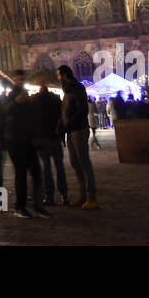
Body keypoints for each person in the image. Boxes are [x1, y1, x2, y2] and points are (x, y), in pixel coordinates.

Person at [5, 70, 48, 219]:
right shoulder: (9, 95)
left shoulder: (25, 93)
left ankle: (38, 206)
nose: (21, 81)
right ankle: (19, 207)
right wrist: (15, 103)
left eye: (22, 78)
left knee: (36, 172)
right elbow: (3, 113)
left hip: (27, 140)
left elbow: (31, 116)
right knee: (21, 174)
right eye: (18, 79)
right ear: (14, 80)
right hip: (15, 140)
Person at [58, 65, 98, 209]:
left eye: (59, 75)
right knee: (75, 164)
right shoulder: (67, 90)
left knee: (84, 163)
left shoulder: (77, 88)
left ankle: (92, 198)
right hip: (70, 130)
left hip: (79, 129)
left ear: (64, 75)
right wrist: (62, 126)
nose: (58, 78)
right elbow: (65, 110)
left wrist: (70, 123)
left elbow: (82, 109)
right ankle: (83, 196)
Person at [32, 77, 68, 205]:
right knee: (59, 167)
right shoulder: (56, 99)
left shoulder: (34, 100)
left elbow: (32, 121)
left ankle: (50, 196)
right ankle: (64, 195)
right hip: (55, 137)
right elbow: (62, 117)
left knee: (46, 168)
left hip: (41, 138)